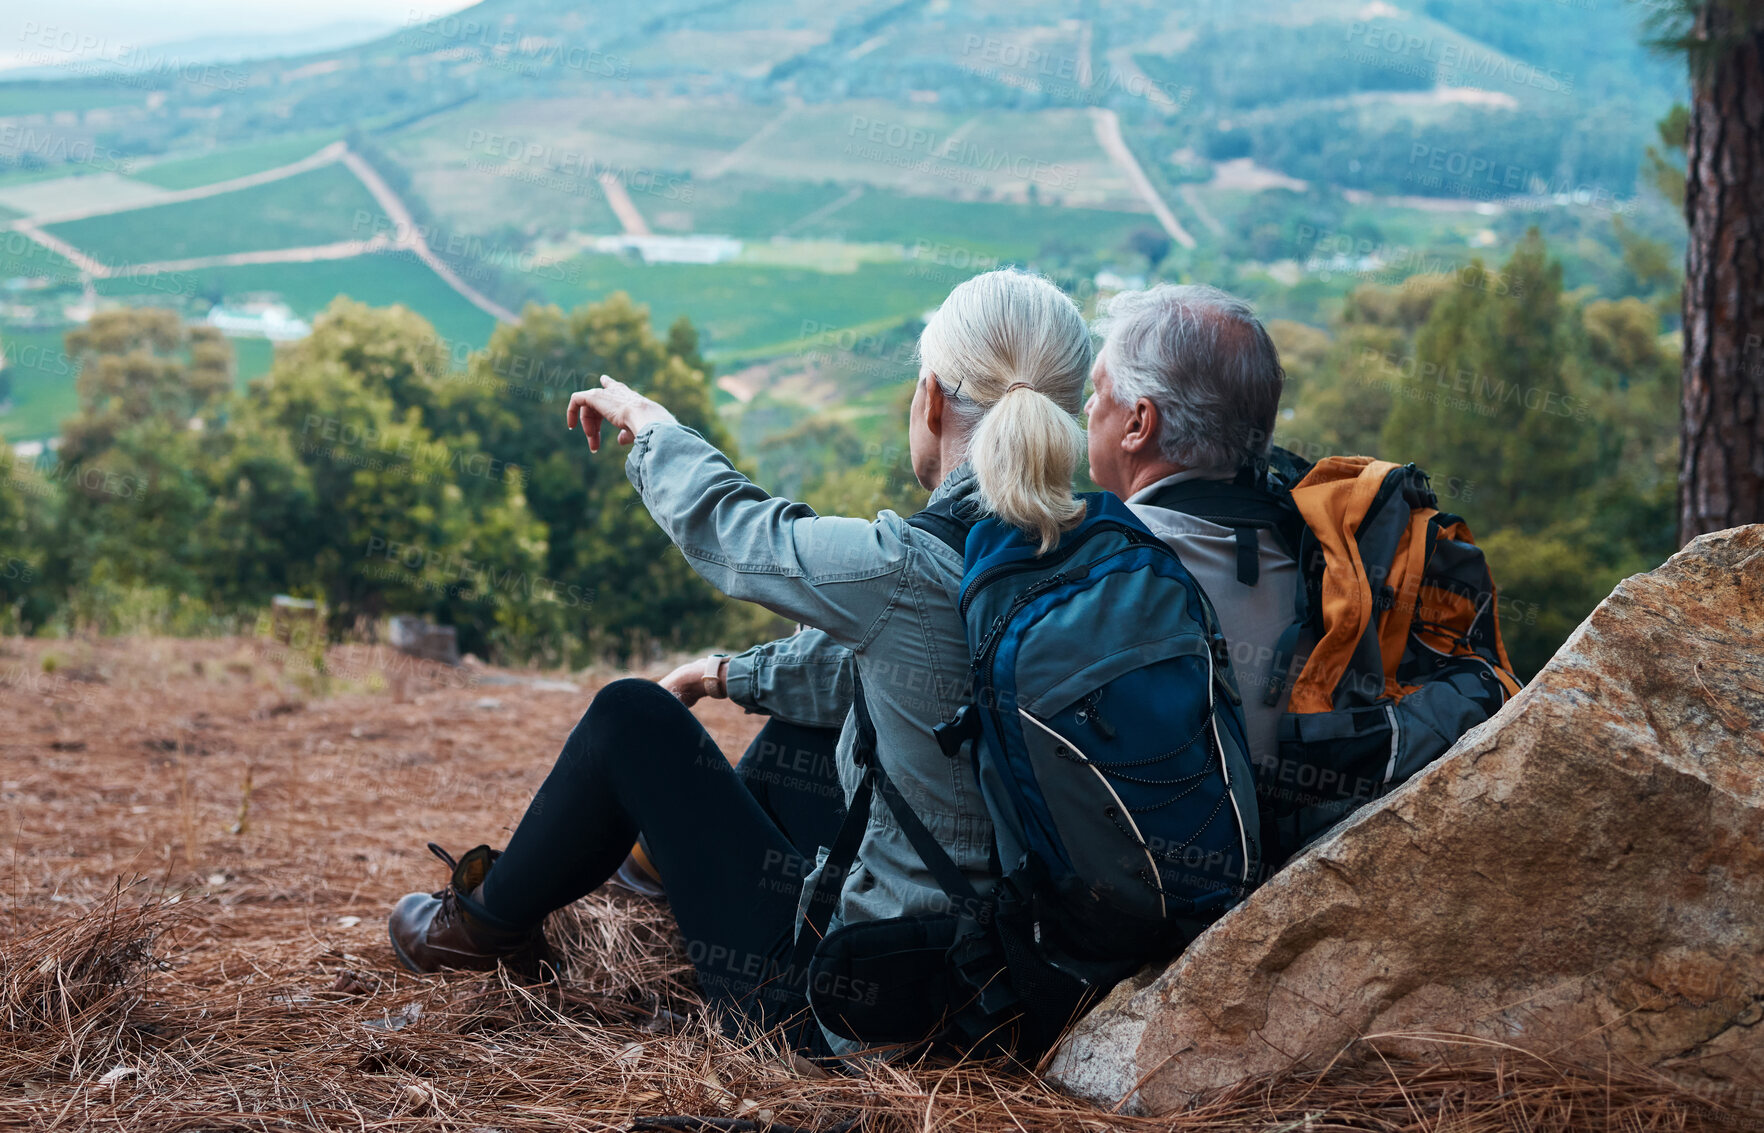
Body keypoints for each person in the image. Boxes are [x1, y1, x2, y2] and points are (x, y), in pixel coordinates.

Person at [386, 268, 1095, 1059]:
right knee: (804, 731)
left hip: (866, 1019)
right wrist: (727, 674)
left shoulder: (907, 567)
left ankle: (480, 927)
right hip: (1019, 985)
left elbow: (736, 533)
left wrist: (652, 426)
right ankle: (668, 868)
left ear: (930, 398)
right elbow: (899, 674)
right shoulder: (1085, 558)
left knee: (631, 716)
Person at [1083, 284, 1296, 770]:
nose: (1089, 410)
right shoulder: (1319, 546)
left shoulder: (1101, 566)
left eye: (1098, 391)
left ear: (1139, 424)